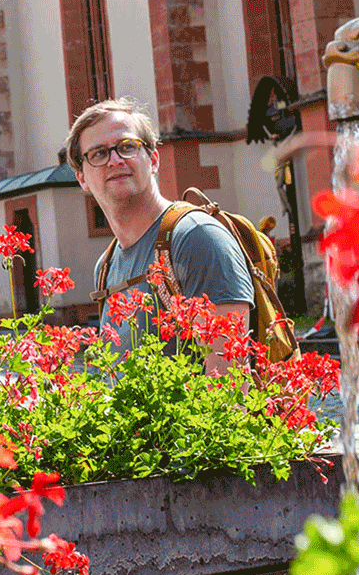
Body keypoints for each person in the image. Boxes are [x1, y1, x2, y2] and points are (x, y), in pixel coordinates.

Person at [67, 98, 254, 372]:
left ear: (153, 160)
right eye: (98, 154)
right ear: (82, 178)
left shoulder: (196, 238)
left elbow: (230, 382)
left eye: (127, 147)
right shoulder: (105, 267)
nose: (115, 160)